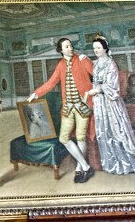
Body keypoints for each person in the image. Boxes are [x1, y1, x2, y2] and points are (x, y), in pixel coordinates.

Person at [84, 36, 135, 175]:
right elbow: (94, 80)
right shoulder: (95, 64)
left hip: (111, 103)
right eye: (94, 48)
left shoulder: (111, 64)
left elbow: (113, 87)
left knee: (118, 133)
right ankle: (113, 163)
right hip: (100, 104)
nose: (96, 50)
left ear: (105, 48)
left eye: (98, 47)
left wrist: (96, 90)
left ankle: (126, 163)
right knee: (105, 133)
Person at [28, 37, 94, 183]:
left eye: (71, 46)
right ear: (61, 50)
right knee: (64, 138)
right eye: (67, 46)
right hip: (68, 107)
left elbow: (98, 73)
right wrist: (36, 93)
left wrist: (89, 59)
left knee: (81, 137)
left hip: (83, 106)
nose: (70, 48)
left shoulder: (82, 60)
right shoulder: (60, 65)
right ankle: (86, 166)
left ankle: (79, 169)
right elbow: (51, 83)